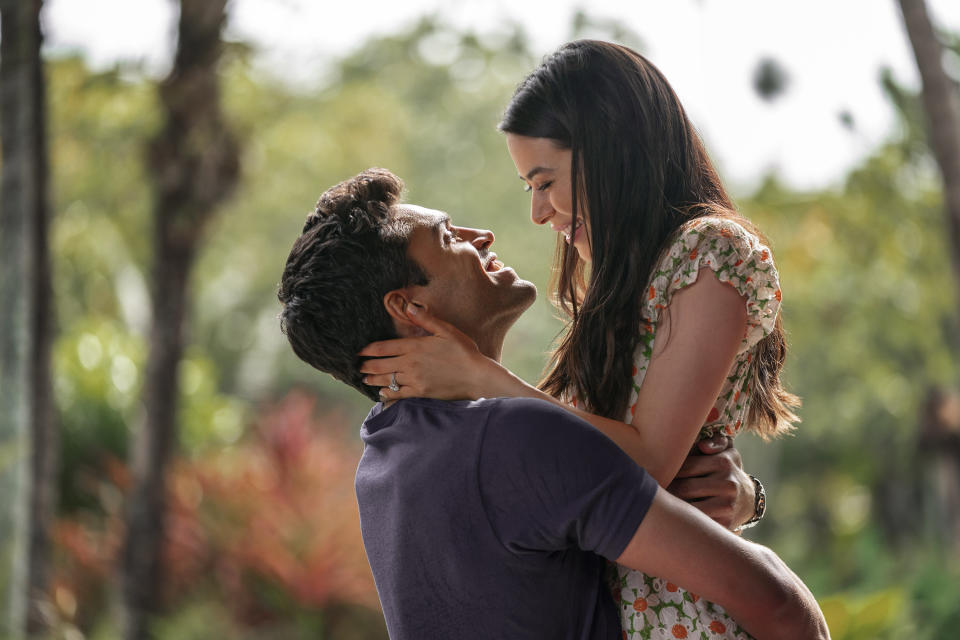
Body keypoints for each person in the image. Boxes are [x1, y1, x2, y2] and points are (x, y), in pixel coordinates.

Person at [356, 40, 801, 638]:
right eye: (528, 188)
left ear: (612, 152)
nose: (540, 213)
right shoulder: (621, 284)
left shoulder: (707, 254)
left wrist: (484, 380)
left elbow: (645, 462)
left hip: (686, 616)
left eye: (546, 181)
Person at [276, 168, 828, 640]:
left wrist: (741, 498)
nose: (482, 235)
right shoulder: (514, 442)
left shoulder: (381, 465)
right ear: (410, 306)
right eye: (448, 237)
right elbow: (776, 604)